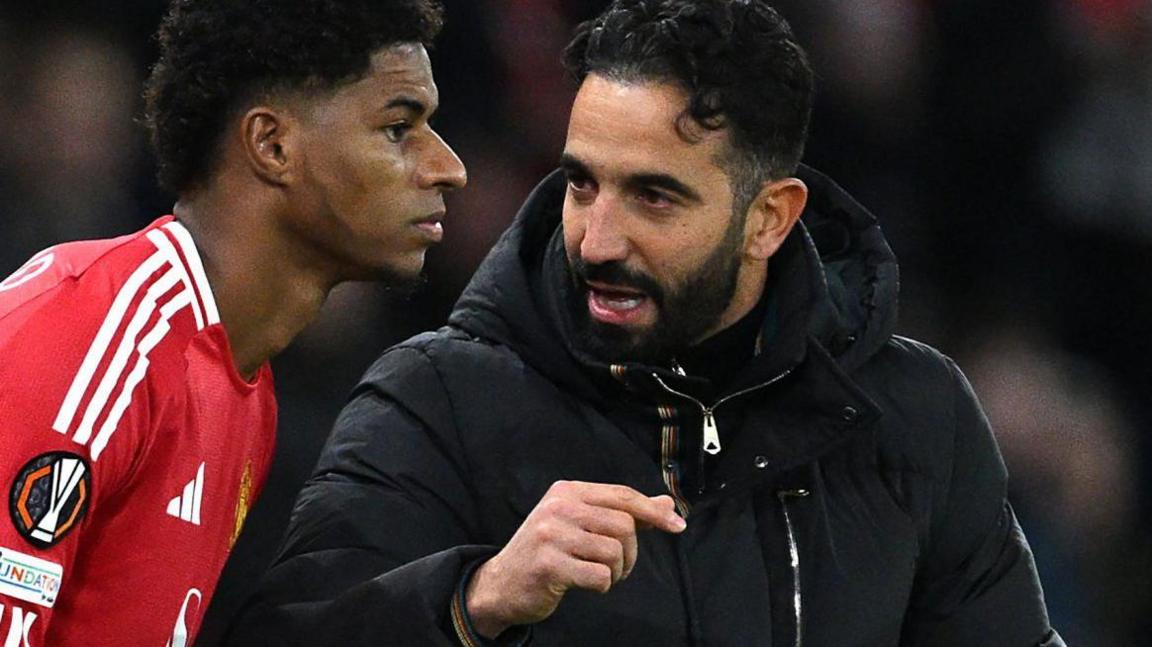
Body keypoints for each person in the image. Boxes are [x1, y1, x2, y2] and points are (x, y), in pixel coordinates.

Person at [231, 1, 1064, 645]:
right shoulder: (438, 400)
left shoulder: (914, 414)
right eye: (582, 184)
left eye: (654, 197)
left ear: (770, 218)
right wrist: (472, 601)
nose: (597, 239)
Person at [0, 0, 465, 644]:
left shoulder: (244, 393)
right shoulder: (94, 332)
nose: (449, 167)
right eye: (397, 127)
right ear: (272, 145)